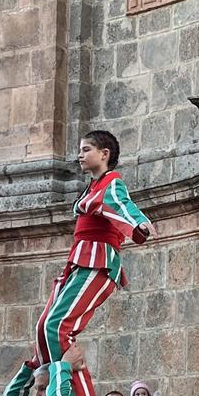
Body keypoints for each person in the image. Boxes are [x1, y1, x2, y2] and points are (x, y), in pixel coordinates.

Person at [30, 131, 152, 367]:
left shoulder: (111, 182)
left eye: (86, 150)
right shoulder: (94, 186)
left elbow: (122, 203)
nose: (80, 155)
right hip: (80, 261)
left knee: (57, 326)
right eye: (80, 150)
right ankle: (50, 384)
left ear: (104, 154)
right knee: (45, 326)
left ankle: (72, 393)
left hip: (97, 262)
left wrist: (139, 222)